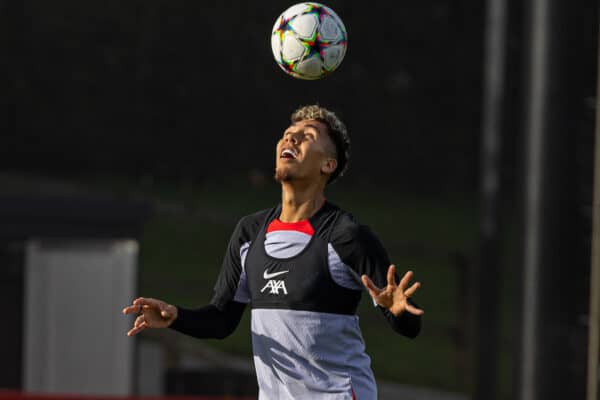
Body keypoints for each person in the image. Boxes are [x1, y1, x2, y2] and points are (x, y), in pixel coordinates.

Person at [122, 105, 424, 400]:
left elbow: (410, 326)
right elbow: (221, 320)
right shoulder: (249, 232)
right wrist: (176, 317)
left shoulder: (346, 236)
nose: (291, 139)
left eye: (307, 135)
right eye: (287, 133)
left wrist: (397, 311)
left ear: (328, 165)